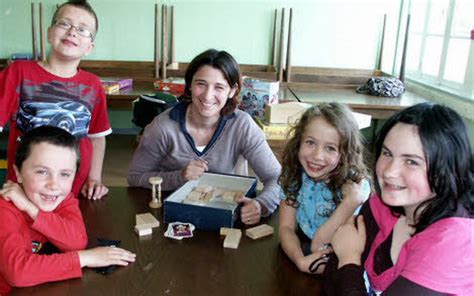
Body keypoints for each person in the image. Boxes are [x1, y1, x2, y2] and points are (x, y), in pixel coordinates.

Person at [324, 103, 474, 295]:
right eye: (387, 153)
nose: (389, 172)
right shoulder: (383, 204)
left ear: (445, 169)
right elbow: (332, 280)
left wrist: (349, 258)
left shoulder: (454, 242)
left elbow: (342, 263)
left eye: (411, 161)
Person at [127, 49, 281, 225]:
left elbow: (276, 178)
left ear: (232, 90)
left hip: (223, 218)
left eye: (219, 87)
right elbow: (135, 176)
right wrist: (180, 176)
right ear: (189, 85)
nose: (208, 96)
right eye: (201, 84)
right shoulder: (163, 127)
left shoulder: (242, 125)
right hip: (169, 217)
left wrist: (261, 204)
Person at [0, 126, 135, 294]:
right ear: (18, 173)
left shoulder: (62, 198)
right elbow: (18, 273)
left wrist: (32, 210)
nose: (54, 185)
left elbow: (76, 241)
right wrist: (87, 257)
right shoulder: (4, 209)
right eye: (42, 172)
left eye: (64, 174)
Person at [0, 0, 110, 200]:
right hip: (24, 190)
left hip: (73, 190)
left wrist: (94, 177)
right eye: (64, 24)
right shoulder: (18, 72)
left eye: (83, 30)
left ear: (89, 47)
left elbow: (97, 136)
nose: (72, 32)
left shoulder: (93, 85)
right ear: (50, 33)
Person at [278, 103, 371, 274]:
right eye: (310, 142)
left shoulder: (355, 189)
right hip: (304, 250)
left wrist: (350, 203)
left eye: (330, 148)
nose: (317, 156)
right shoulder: (294, 175)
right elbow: (286, 228)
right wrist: (299, 260)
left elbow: (318, 246)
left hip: (341, 260)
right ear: (298, 142)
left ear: (345, 153)